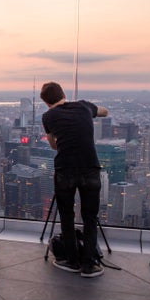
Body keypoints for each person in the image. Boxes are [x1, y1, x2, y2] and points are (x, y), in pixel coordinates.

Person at [40, 81, 108, 278]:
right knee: (90, 217)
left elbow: (53, 145)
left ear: (46, 101)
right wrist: (91, 113)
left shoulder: (48, 116)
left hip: (65, 169)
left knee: (67, 217)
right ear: (63, 94)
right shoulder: (84, 106)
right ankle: (89, 265)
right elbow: (104, 111)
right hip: (90, 168)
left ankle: (71, 260)